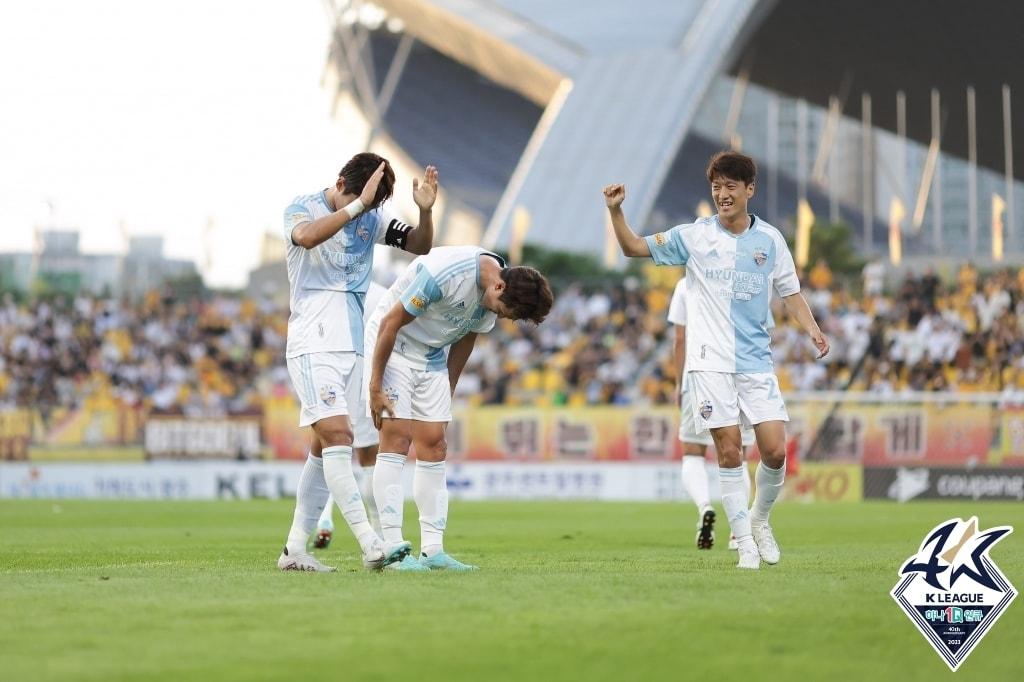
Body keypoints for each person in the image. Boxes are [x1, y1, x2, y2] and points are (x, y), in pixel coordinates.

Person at [604, 150, 829, 570]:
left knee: (775, 451)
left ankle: (759, 520)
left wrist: (812, 328)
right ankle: (743, 542)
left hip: (756, 363)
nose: (722, 194)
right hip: (708, 364)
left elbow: (790, 292)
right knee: (728, 451)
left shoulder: (771, 240)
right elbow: (634, 247)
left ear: (749, 190)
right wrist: (617, 212)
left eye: (730, 187)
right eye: (716, 187)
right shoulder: (695, 236)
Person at [276, 152, 438, 572]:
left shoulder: (373, 218)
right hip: (312, 341)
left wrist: (425, 213)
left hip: (351, 345)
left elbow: (420, 245)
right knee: (338, 435)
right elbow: (307, 238)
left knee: (322, 445)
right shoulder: (301, 208)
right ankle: (371, 544)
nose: (369, 210)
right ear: (341, 182)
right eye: (364, 199)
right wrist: (357, 206)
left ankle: (295, 548)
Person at [365, 245, 553, 571]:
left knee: (435, 444)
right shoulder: (445, 274)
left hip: (431, 356)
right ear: (497, 287)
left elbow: (466, 339)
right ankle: (392, 547)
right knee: (396, 439)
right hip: (392, 345)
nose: (500, 316)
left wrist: (446, 392)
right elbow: (390, 323)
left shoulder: (497, 295)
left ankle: (433, 551)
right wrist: (375, 385)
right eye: (502, 310)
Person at [668, 276, 752, 551]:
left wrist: (680, 383)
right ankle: (738, 532)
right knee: (738, 455)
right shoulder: (743, 280)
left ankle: (704, 507)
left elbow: (679, 339)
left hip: (698, 374)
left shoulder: (685, 285)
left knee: (693, 451)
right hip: (738, 373)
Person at [313, 281, 387, 549]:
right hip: (366, 380)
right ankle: (378, 534)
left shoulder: (322, 291)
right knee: (368, 458)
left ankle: (322, 520)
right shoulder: (380, 294)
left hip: (330, 379)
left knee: (327, 451)